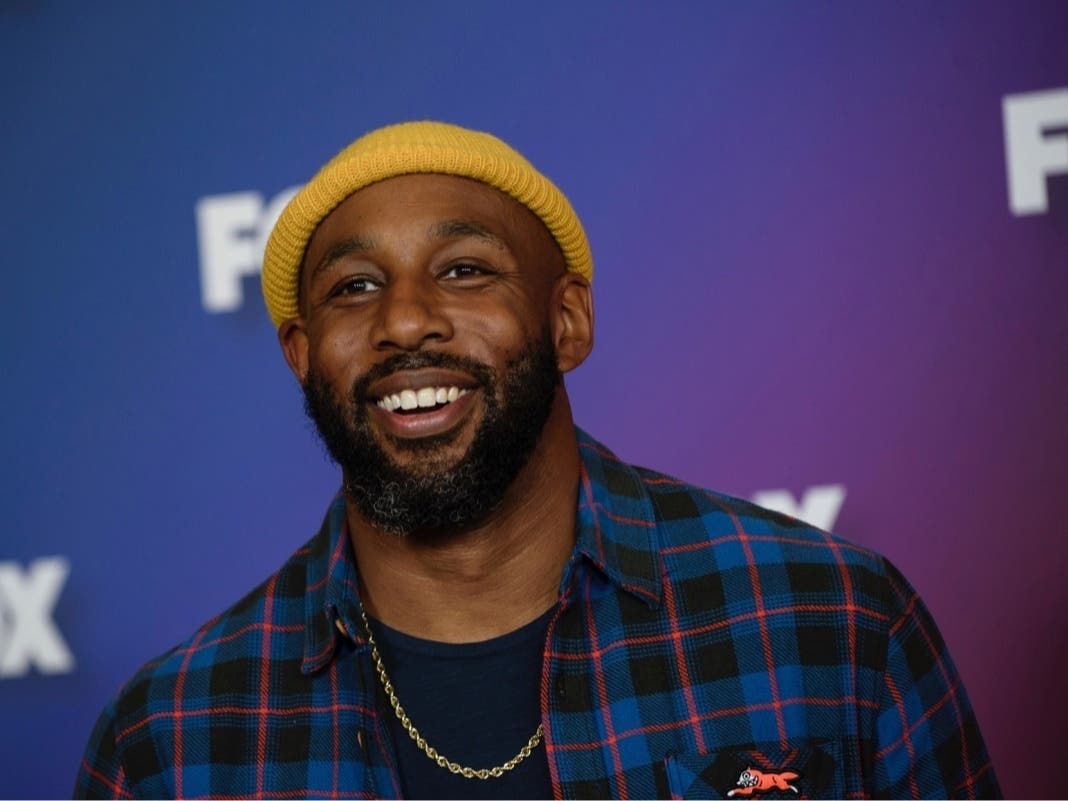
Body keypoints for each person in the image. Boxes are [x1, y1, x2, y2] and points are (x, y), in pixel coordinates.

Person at [75, 121, 1000, 800]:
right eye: (355, 288)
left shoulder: (830, 619)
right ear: (303, 355)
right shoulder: (172, 739)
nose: (403, 320)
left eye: (465, 270)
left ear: (568, 321)